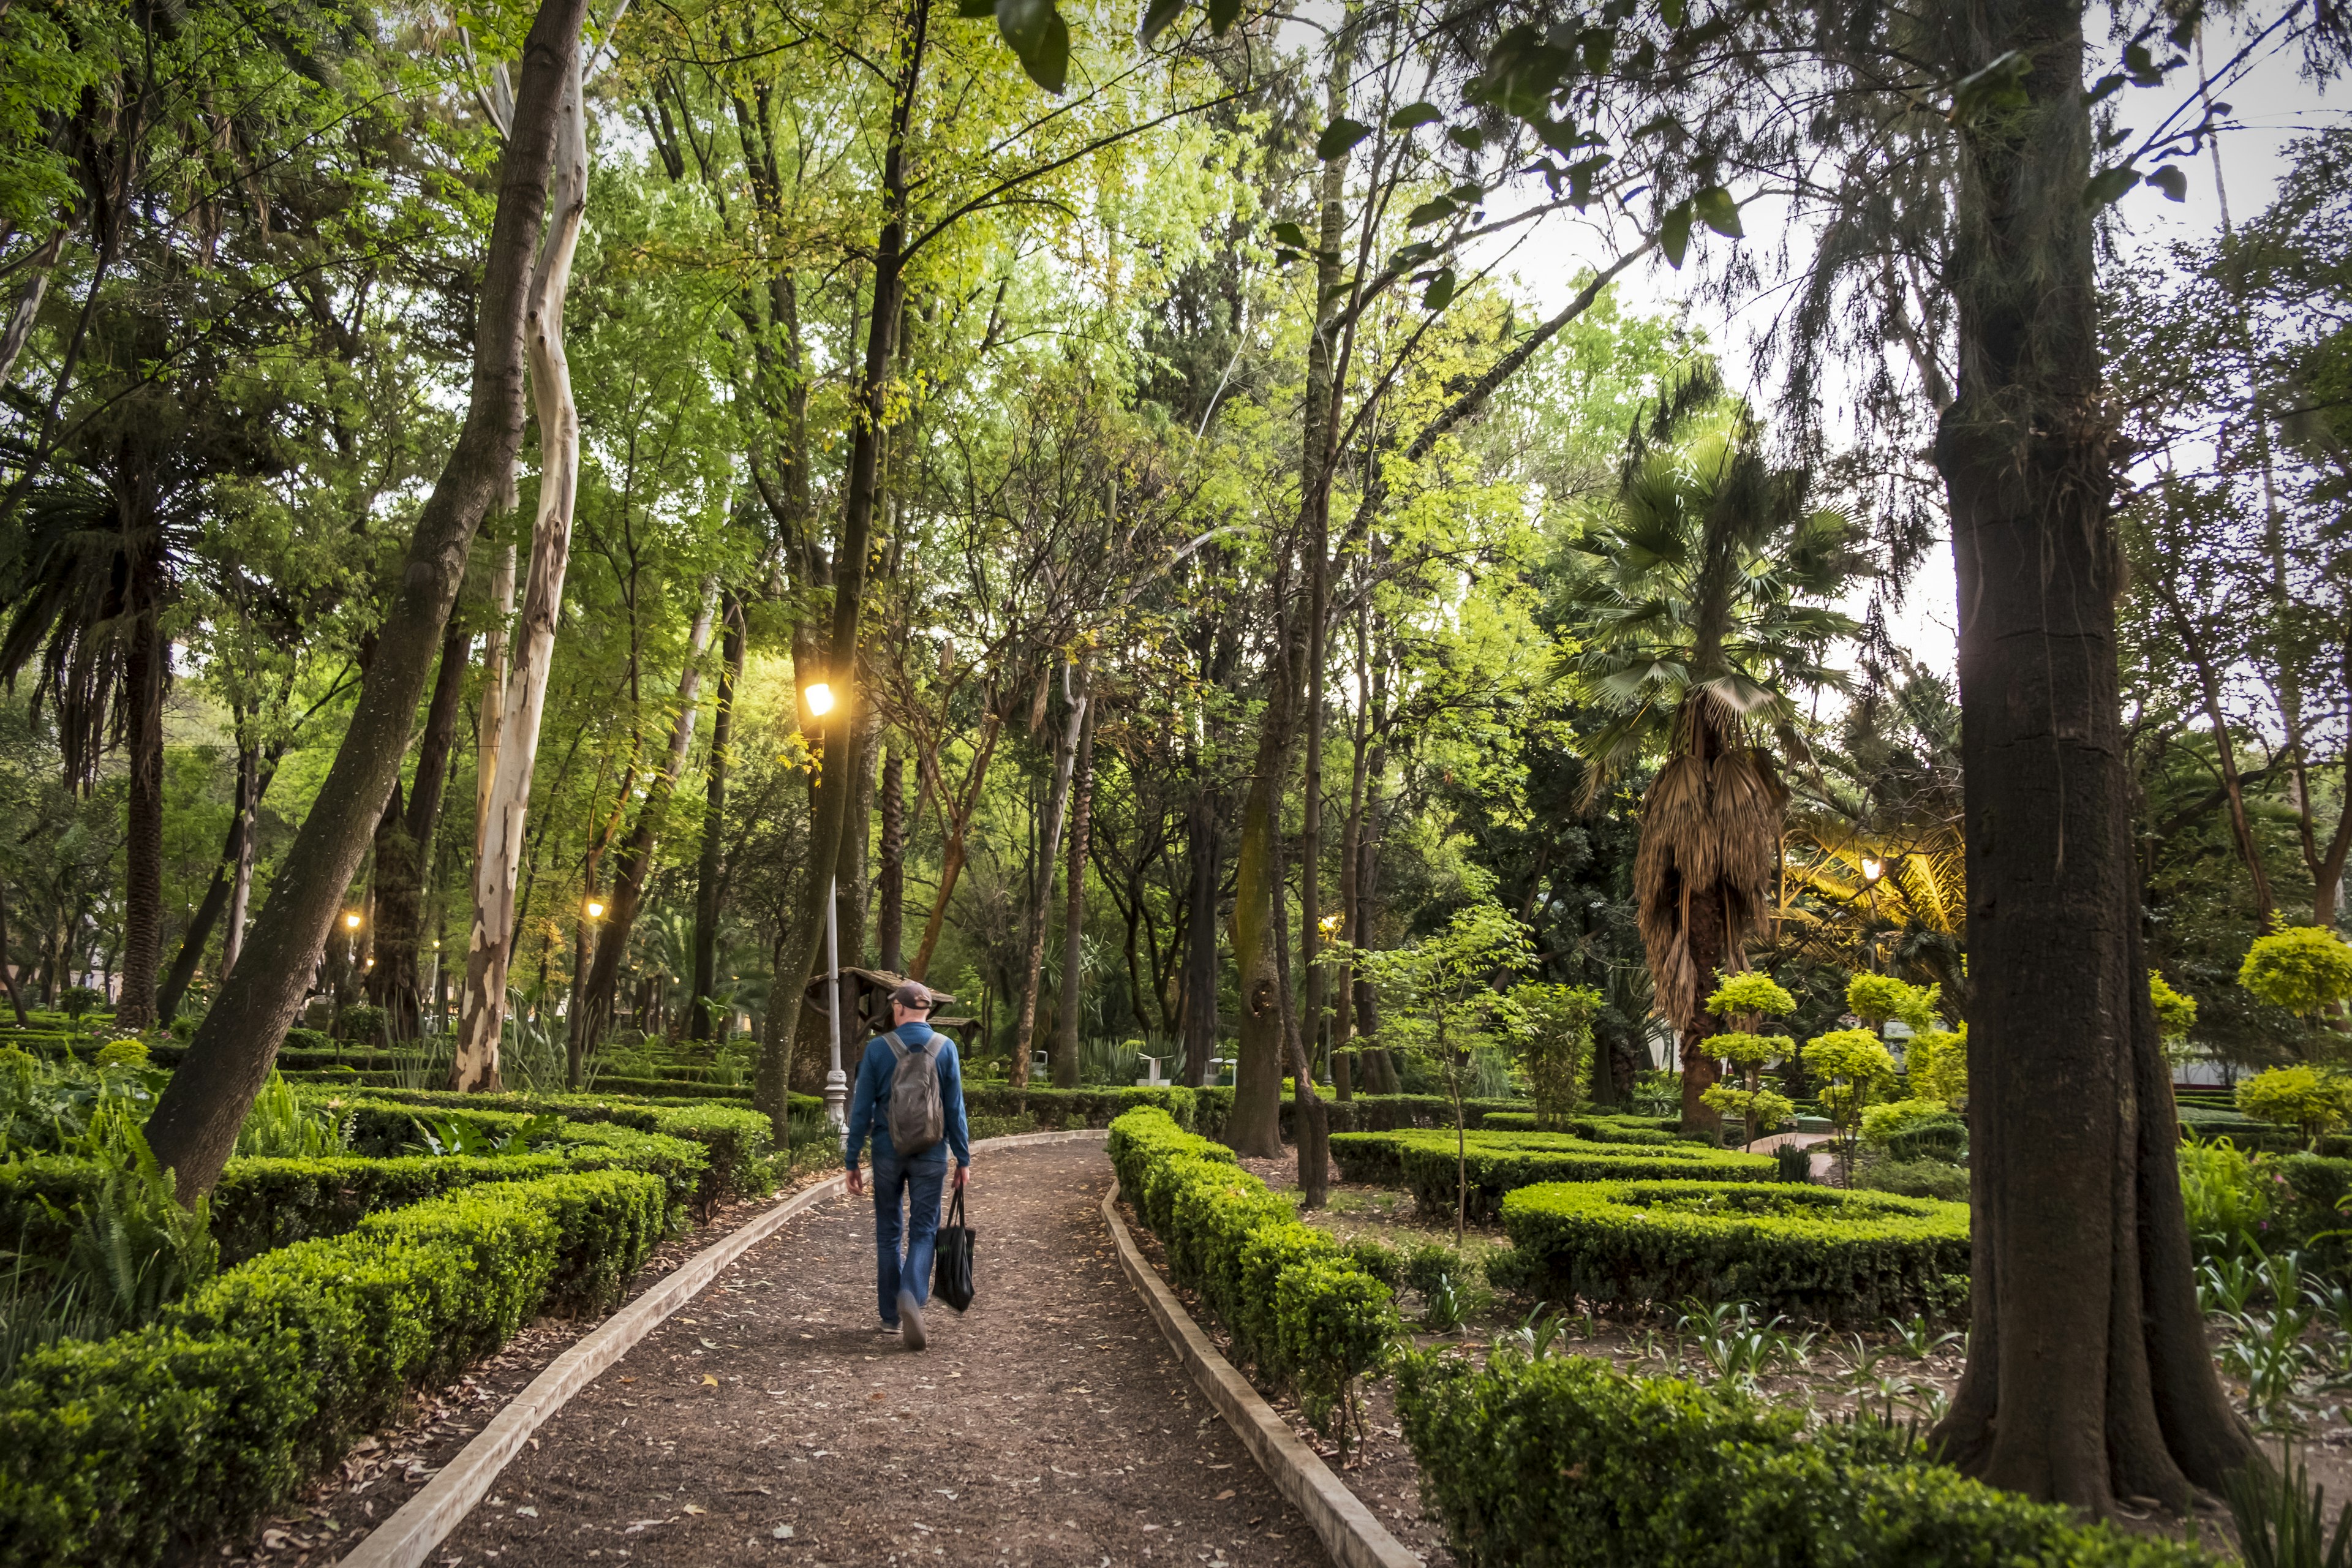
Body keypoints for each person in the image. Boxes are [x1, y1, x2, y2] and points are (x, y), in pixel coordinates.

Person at [843, 980, 971, 1350]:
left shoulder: (878, 1049)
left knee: (888, 1232)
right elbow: (954, 1108)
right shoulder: (946, 1048)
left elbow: (861, 1107)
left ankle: (889, 1316)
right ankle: (912, 1296)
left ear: (898, 1009)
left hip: (887, 1152)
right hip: (932, 1153)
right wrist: (962, 1158)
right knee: (925, 1230)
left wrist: (852, 1160)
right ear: (927, 1010)